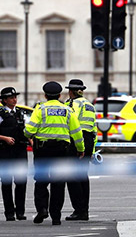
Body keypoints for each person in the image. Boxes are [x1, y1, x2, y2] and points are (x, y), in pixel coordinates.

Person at [24, 81, 84, 226]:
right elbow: (76, 132)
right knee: (58, 183)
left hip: (42, 150)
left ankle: (42, 209)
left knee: (41, 181)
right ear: (59, 95)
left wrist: (31, 134)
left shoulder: (40, 109)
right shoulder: (67, 110)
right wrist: (80, 148)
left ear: (45, 95)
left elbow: (29, 131)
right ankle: (56, 216)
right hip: (61, 151)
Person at [0, 86, 30, 221]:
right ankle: (9, 212)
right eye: (11, 98)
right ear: (5, 100)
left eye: (15, 97)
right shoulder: (0, 114)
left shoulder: (21, 113)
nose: (14, 100)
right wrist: (5, 138)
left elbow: (27, 130)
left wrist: (31, 141)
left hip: (20, 150)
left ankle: (20, 212)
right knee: (7, 182)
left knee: (21, 182)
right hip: (6, 151)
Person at [64, 79, 97, 221]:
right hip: (89, 140)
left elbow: (72, 123)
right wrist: (93, 150)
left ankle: (78, 210)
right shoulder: (90, 105)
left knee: (72, 177)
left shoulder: (72, 104)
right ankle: (85, 210)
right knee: (83, 176)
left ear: (70, 91)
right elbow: (94, 129)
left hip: (76, 139)